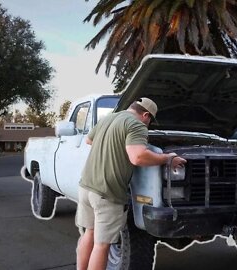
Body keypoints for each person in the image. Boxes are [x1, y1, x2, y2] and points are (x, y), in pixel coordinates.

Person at [76, 97, 186, 270]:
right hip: (107, 193)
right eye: (150, 121)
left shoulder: (108, 119)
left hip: (86, 187)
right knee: (102, 245)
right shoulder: (137, 125)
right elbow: (138, 157)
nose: (148, 125)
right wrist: (167, 158)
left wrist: (111, 146)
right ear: (145, 115)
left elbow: (89, 140)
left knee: (89, 233)